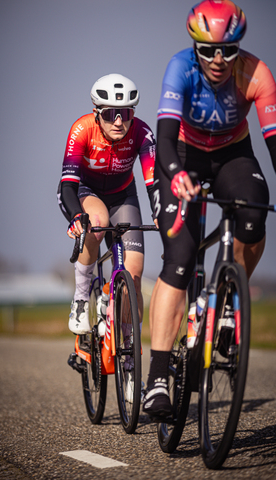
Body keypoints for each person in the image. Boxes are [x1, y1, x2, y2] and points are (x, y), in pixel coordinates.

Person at [143, 0, 276, 419]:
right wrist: (176, 173)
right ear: (195, 47)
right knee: (180, 258)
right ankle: (158, 376)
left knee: (254, 214)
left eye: (228, 50)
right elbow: (163, 140)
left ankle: (226, 302)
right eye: (208, 51)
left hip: (233, 154)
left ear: (239, 46)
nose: (218, 60)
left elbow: (273, 144)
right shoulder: (179, 68)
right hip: (182, 154)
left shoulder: (257, 74)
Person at [57, 73, 156, 345]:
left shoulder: (142, 132)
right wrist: (78, 216)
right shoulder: (82, 129)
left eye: (125, 113)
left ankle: (129, 354)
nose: (118, 121)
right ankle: (80, 299)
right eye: (111, 113)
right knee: (96, 221)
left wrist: (161, 212)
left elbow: (153, 182)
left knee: (133, 277)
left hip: (124, 195)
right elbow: (67, 185)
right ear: (96, 113)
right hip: (86, 192)